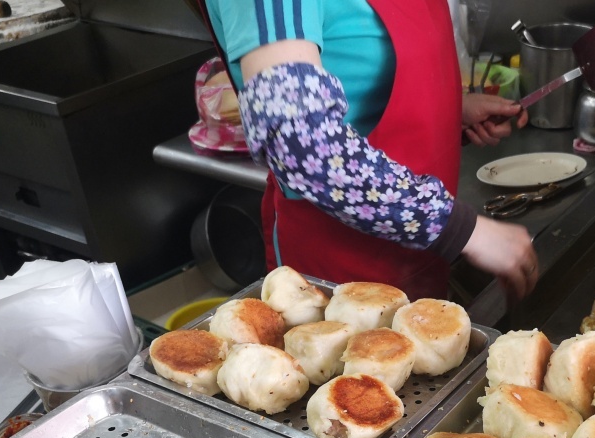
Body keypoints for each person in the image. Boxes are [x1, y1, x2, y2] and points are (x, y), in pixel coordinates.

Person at [198, 0, 540, 302]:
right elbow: (301, 142)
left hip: (419, 258)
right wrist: (460, 229)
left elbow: (357, 60)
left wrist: (444, 110)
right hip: (340, 275)